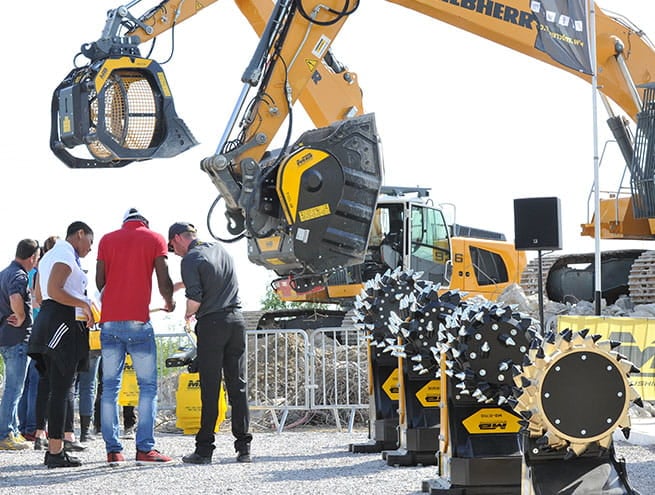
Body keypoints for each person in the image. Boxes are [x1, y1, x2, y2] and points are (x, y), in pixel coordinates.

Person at [96, 208, 175, 466]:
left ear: (124, 223)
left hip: (108, 323)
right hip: (139, 323)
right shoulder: (154, 239)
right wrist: (169, 301)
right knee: (148, 388)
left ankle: (113, 451)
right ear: (145, 222)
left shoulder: (107, 240)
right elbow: (164, 280)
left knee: (110, 388)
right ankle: (145, 449)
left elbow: (99, 282)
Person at [168, 222, 252, 464]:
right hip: (236, 320)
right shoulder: (220, 250)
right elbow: (214, 278)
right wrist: (182, 284)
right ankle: (244, 447)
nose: (176, 253)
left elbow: (196, 298)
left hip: (212, 324)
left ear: (177, 239)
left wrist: (186, 313)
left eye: (173, 248)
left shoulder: (190, 258)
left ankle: (204, 449)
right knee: (238, 386)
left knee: (210, 387)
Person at [27, 222, 95, 468]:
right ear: (79, 234)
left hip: (50, 321)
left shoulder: (47, 257)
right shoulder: (65, 253)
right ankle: (55, 453)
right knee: (61, 390)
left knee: (59, 389)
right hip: (62, 324)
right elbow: (55, 291)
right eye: (90, 241)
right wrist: (85, 304)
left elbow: (38, 296)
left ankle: (55, 450)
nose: (90, 248)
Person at [0, 239, 40, 450]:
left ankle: (12, 430)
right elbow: (16, 296)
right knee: (14, 389)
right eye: (37, 258)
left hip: (7, 338)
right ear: (32, 257)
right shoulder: (19, 275)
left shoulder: (5, 272)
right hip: (16, 339)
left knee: (14, 387)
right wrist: (21, 316)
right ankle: (5, 434)